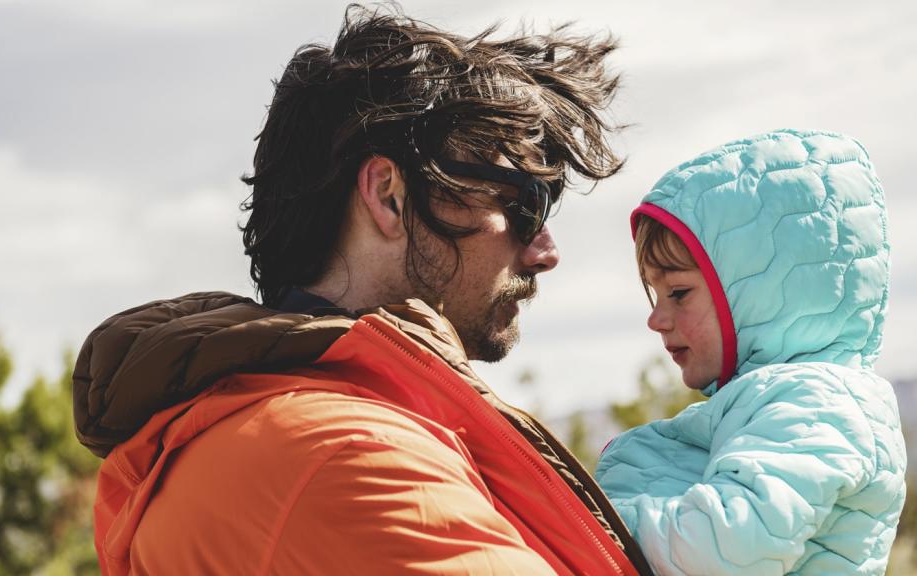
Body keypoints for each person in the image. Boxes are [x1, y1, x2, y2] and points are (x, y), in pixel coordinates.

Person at [71, 5, 653, 575]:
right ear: (389, 194)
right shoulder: (343, 455)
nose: (545, 252)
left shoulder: (289, 427)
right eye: (521, 203)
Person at [595, 128, 908, 575]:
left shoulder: (820, 403)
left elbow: (727, 547)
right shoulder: (773, 401)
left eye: (679, 293)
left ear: (764, 297)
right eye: (655, 294)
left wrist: (587, 517)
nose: (656, 319)